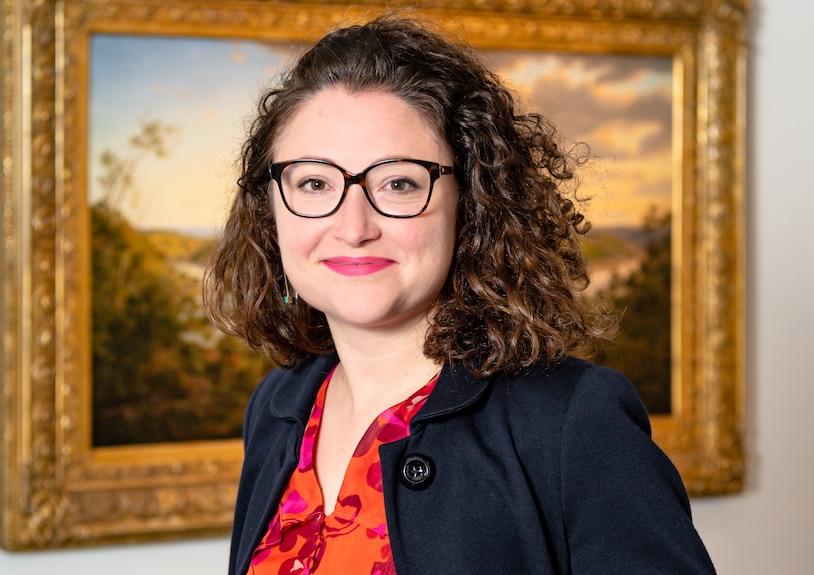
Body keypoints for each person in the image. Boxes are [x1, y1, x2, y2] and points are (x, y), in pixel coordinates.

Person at [204, 15, 716, 575]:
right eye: (314, 183)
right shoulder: (279, 407)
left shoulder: (574, 422)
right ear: (269, 207)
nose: (353, 226)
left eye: (398, 182)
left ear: (469, 201)